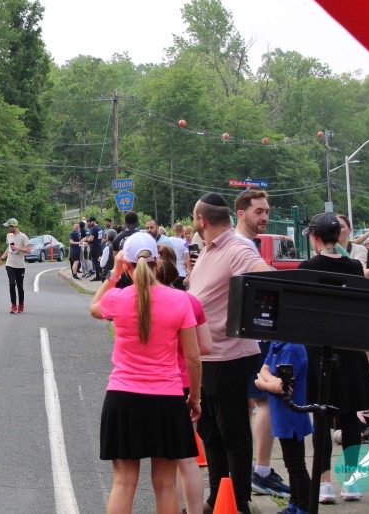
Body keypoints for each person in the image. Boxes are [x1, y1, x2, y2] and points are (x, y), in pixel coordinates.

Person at [90, 233, 202, 514]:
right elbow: (193, 357)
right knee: (166, 484)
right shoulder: (180, 300)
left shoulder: (117, 298)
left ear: (127, 264)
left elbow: (93, 308)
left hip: (123, 396)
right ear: (157, 262)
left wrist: (114, 275)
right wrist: (194, 398)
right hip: (167, 399)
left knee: (123, 482)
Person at [188, 192, 271, 513]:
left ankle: (239, 502)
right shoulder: (209, 249)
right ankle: (217, 497)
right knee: (210, 432)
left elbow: (264, 275)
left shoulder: (236, 247)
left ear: (201, 220)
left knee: (233, 433)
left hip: (229, 356)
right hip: (207, 357)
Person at [297, 213, 369, 504]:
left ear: (315, 238)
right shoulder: (354, 266)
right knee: (349, 416)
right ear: (338, 236)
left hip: (318, 347)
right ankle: (352, 483)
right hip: (349, 346)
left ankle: (324, 484)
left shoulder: (307, 267)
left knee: (321, 416)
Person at [233, 190, 288, 499]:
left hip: (244, 337)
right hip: (250, 337)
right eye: (259, 211)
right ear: (241, 213)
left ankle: (242, 471)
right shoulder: (241, 246)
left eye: (267, 211)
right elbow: (269, 282)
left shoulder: (239, 244)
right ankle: (259, 472)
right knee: (264, 400)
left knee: (249, 404)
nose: (265, 216)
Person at [157, 244, 213, 514]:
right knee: (187, 458)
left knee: (165, 460)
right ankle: (193, 510)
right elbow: (206, 347)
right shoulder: (190, 301)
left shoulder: (144, 301)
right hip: (185, 382)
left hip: (156, 383)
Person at [254, 340, 314, 514]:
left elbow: (283, 387)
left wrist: (263, 384)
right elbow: (263, 370)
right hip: (281, 413)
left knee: (296, 464)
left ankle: (304, 506)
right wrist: (273, 382)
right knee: (290, 462)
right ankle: (294, 503)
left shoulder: (292, 348)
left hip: (291, 415)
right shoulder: (277, 344)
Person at [3, 218, 31, 314]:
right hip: (10, 264)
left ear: (14, 226)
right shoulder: (9, 236)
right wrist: (2, 257)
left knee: (20, 286)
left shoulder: (23, 237)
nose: (7, 229)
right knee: (12, 284)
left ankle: (21, 304)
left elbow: (29, 250)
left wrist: (18, 248)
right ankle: (13, 305)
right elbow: (9, 248)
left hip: (20, 266)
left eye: (9, 227)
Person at [86, 216, 104, 281]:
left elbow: (91, 239)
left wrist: (86, 239)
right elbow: (102, 239)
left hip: (94, 247)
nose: (89, 223)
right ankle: (100, 275)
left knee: (95, 262)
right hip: (99, 246)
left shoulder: (94, 228)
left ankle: (98, 276)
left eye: (90, 222)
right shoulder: (99, 227)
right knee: (99, 262)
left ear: (93, 221)